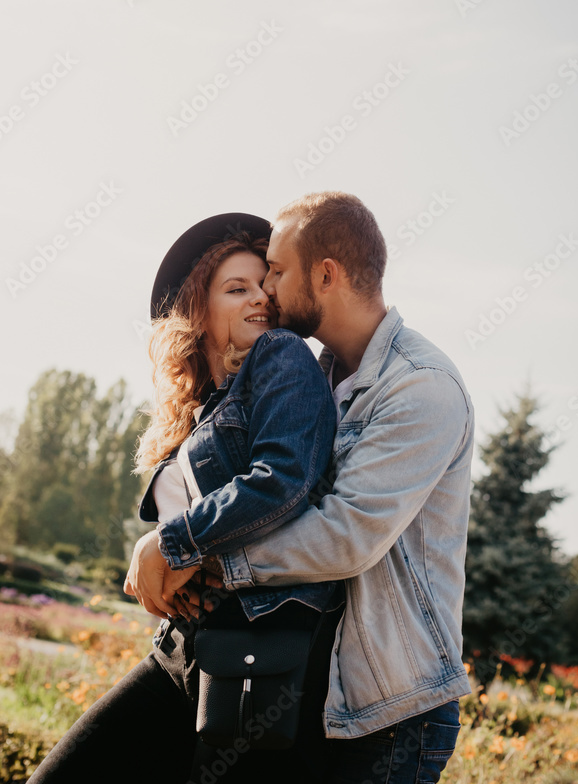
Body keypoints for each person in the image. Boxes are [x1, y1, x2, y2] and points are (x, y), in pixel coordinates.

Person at [129, 191, 475, 784]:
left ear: (326, 274)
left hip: (394, 709)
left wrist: (199, 553)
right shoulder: (320, 378)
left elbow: (346, 536)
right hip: (322, 684)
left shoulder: (422, 386)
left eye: (278, 273)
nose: (269, 291)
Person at [27, 212, 343, 784]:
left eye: (264, 285)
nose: (262, 299)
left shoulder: (282, 354)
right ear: (199, 313)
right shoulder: (210, 408)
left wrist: (168, 546)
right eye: (237, 288)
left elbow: (282, 480)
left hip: (255, 651)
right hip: (184, 648)